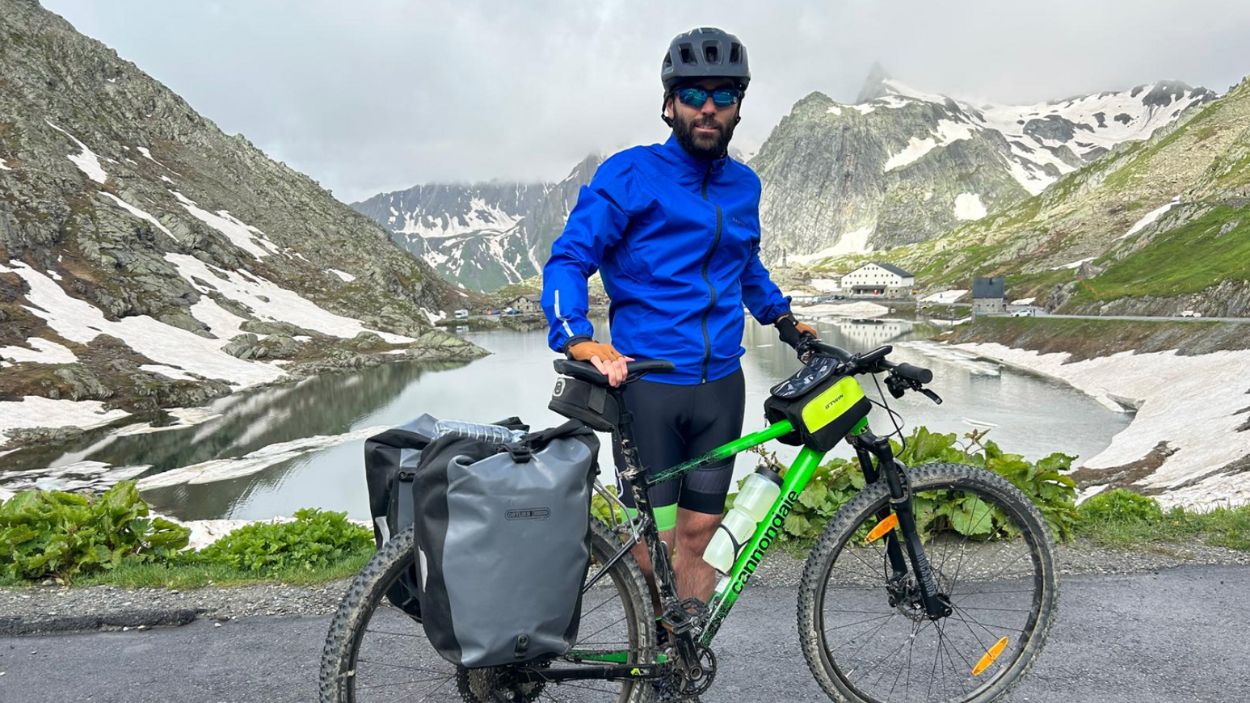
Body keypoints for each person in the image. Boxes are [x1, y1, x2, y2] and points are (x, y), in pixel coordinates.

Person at [541, 27, 817, 607]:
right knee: (653, 542)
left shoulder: (744, 186)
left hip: (720, 389)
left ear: (738, 107)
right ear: (670, 104)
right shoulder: (630, 174)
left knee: (701, 533)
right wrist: (577, 340)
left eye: (723, 95)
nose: (708, 107)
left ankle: (686, 643)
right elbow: (569, 258)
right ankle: (652, 642)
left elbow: (745, 266)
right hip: (649, 391)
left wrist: (786, 323)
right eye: (693, 94)